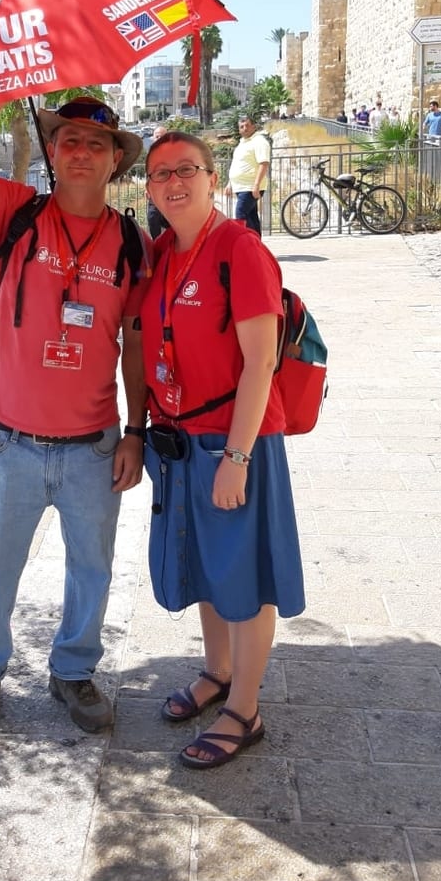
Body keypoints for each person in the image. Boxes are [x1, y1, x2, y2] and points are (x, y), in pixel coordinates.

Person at [0, 96, 149, 748]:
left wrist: (136, 431)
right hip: (6, 439)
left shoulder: (132, 242)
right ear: (52, 151)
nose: (79, 151)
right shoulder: (16, 213)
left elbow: (134, 341)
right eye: (68, 139)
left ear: (113, 161)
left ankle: (73, 670)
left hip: (91, 445)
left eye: (94, 143)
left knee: (91, 568)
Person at [140, 131, 303, 769]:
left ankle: (246, 708)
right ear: (147, 188)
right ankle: (217, 671)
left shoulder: (240, 248)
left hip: (238, 441)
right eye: (159, 174)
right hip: (180, 442)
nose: (173, 183)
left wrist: (235, 458)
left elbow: (261, 361)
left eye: (187, 170)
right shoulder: (159, 254)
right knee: (207, 564)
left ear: (213, 179)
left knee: (246, 574)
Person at [224, 114, 270, 238]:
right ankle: (256, 247)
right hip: (241, 187)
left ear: (253, 126)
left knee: (240, 215)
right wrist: (230, 183)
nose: (245, 128)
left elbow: (264, 163)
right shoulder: (242, 144)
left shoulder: (259, 141)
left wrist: (256, 185)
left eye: (247, 125)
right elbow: (237, 164)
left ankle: (246, 245)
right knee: (251, 216)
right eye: (242, 126)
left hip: (250, 187)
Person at [145, 124, 170, 239]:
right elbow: (149, 172)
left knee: (171, 222)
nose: (159, 139)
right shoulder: (151, 154)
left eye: (162, 137)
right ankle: (156, 245)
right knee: (152, 217)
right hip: (155, 194)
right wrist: (147, 188)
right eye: (157, 137)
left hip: (170, 194)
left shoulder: (173, 154)